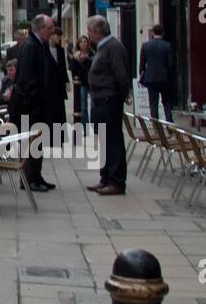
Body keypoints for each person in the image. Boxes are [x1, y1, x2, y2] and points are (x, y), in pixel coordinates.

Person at [85, 15, 131, 196]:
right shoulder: (103, 47)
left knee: (113, 141)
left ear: (97, 31)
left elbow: (120, 74)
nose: (88, 35)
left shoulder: (113, 46)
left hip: (109, 99)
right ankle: (105, 178)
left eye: (89, 31)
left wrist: (123, 94)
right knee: (104, 141)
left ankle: (116, 181)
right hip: (100, 99)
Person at [14, 14, 60, 193]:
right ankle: (29, 178)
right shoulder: (31, 46)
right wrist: (36, 98)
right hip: (31, 106)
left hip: (39, 104)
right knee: (31, 142)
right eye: (49, 29)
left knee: (37, 142)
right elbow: (27, 78)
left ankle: (36, 175)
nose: (52, 31)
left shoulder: (40, 45)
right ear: (40, 29)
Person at [139, 24, 176, 121]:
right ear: (163, 33)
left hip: (151, 78)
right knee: (167, 103)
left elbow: (142, 64)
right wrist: (171, 77)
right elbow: (171, 65)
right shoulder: (167, 46)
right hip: (165, 78)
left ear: (153, 33)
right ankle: (170, 126)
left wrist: (142, 76)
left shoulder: (145, 46)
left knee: (153, 104)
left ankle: (156, 128)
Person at [69, 36, 93, 126]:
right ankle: (85, 126)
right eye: (81, 42)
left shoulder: (92, 54)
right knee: (83, 106)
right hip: (82, 83)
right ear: (78, 44)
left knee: (94, 105)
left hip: (91, 83)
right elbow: (73, 69)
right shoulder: (76, 55)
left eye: (85, 41)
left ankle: (94, 125)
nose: (83, 43)